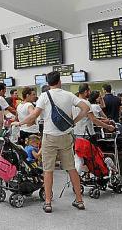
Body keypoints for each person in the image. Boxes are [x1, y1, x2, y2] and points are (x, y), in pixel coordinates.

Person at [15, 71, 89, 213]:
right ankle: (79, 200)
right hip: (66, 136)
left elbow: (34, 116)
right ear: (59, 81)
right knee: (71, 169)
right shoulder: (69, 95)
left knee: (48, 170)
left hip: (49, 137)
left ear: (48, 83)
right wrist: (73, 122)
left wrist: (19, 123)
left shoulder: (45, 96)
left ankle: (48, 202)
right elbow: (85, 108)